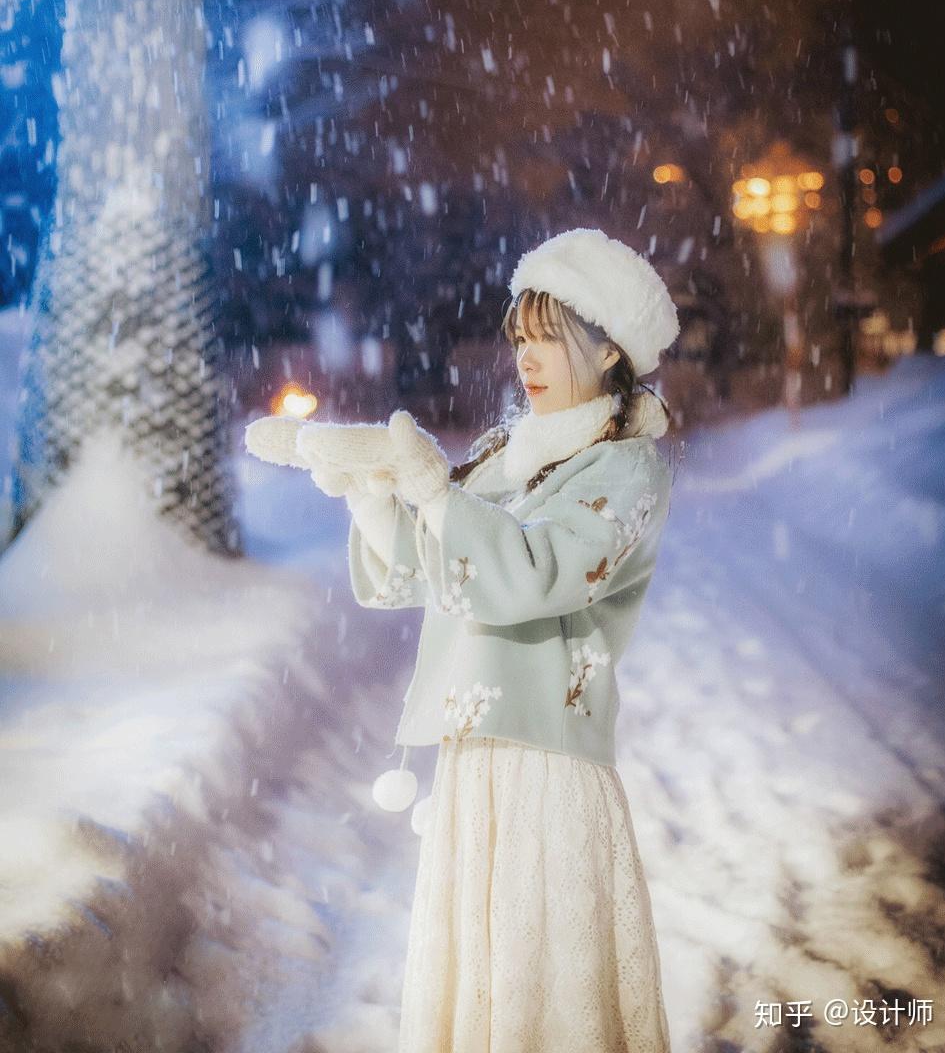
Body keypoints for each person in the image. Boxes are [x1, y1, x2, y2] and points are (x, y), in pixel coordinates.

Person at [246, 226, 680, 1052]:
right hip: (475, 752)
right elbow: (429, 571)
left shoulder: (626, 471)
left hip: (549, 760)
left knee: (544, 981)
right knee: (479, 973)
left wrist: (433, 496)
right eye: (522, 334)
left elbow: (530, 572)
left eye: (552, 335)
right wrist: (374, 495)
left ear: (611, 350)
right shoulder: (501, 456)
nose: (529, 353)